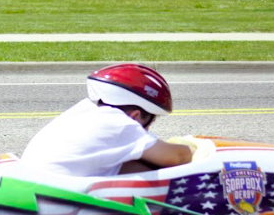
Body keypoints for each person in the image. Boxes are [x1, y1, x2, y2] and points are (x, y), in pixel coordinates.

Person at [20, 63, 195, 177]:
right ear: (135, 115)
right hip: (56, 199)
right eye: (150, 121)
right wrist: (197, 147)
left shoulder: (85, 109)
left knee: (135, 165)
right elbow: (179, 157)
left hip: (36, 187)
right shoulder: (121, 124)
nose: (148, 129)